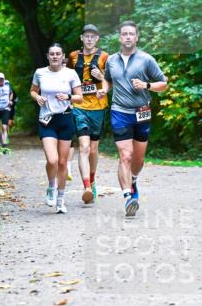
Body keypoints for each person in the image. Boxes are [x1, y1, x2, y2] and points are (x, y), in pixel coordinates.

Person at [101, 21, 168, 217]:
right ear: (119, 37)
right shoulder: (111, 60)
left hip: (142, 112)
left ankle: (134, 180)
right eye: (124, 34)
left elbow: (163, 84)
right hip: (119, 112)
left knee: (138, 159)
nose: (128, 37)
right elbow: (108, 79)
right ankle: (128, 196)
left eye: (131, 34)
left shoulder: (147, 60)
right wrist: (104, 90)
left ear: (136, 37)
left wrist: (146, 85)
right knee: (126, 155)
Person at [30, 44, 84, 214]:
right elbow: (32, 91)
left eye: (58, 54)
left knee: (62, 162)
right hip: (47, 120)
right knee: (52, 160)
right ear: (48, 56)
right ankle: (51, 186)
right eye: (52, 54)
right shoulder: (40, 72)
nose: (55, 56)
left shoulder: (70, 73)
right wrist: (37, 97)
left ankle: (61, 199)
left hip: (65, 119)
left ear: (63, 56)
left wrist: (68, 96)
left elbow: (80, 98)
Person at [68, 24, 110, 204]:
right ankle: (86, 187)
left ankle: (92, 180)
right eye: (87, 36)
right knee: (83, 147)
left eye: (93, 36)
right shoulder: (72, 56)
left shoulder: (105, 57)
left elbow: (111, 80)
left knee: (93, 149)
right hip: (78, 106)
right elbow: (65, 76)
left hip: (98, 107)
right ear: (81, 38)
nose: (90, 39)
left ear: (97, 39)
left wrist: (101, 80)